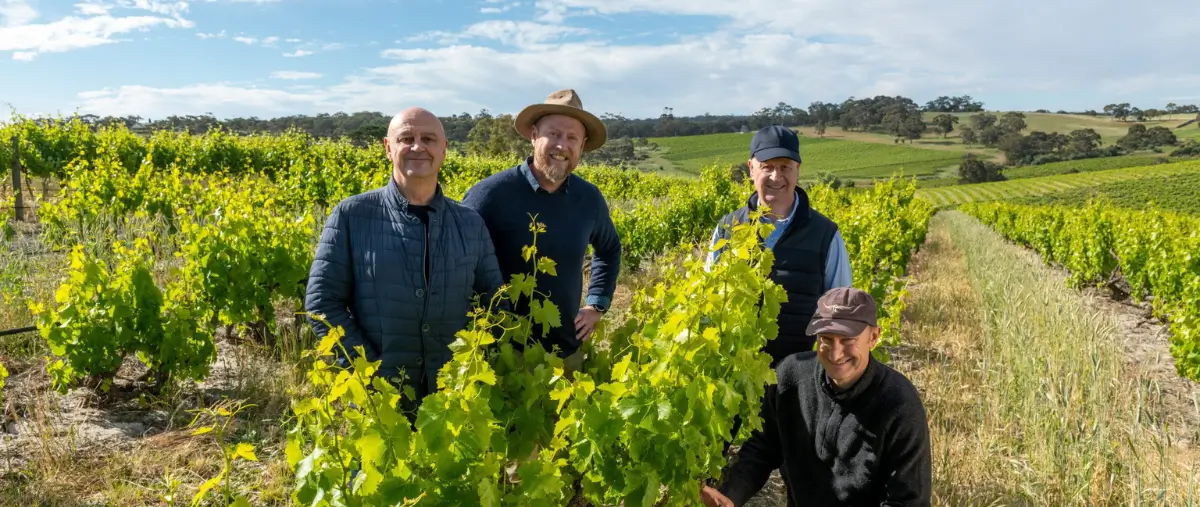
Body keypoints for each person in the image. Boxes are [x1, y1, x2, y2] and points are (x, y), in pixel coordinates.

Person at [304, 106, 503, 411]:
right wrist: (369, 371)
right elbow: (322, 303)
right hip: (381, 401)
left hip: (453, 400)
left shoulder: (470, 223)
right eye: (406, 138)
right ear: (388, 147)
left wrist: (469, 368)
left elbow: (494, 301)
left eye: (428, 139)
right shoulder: (352, 215)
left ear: (444, 149)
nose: (417, 147)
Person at [701, 287, 932, 507]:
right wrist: (731, 496)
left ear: (873, 337)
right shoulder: (790, 377)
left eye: (847, 340)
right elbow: (762, 448)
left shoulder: (899, 405)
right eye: (826, 339)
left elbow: (908, 501)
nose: (835, 353)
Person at [462, 89, 621, 372]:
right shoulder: (489, 196)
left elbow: (609, 249)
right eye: (554, 134)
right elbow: (456, 264)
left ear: (582, 145)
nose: (562, 145)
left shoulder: (589, 199)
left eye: (572, 137)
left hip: (566, 354)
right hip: (503, 356)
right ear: (534, 135)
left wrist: (596, 304)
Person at [709, 124, 853, 366]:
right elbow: (710, 300)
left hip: (802, 375)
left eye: (785, 167)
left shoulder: (826, 234)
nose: (776, 176)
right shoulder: (727, 229)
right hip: (735, 371)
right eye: (767, 167)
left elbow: (840, 312)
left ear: (798, 170)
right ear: (751, 169)